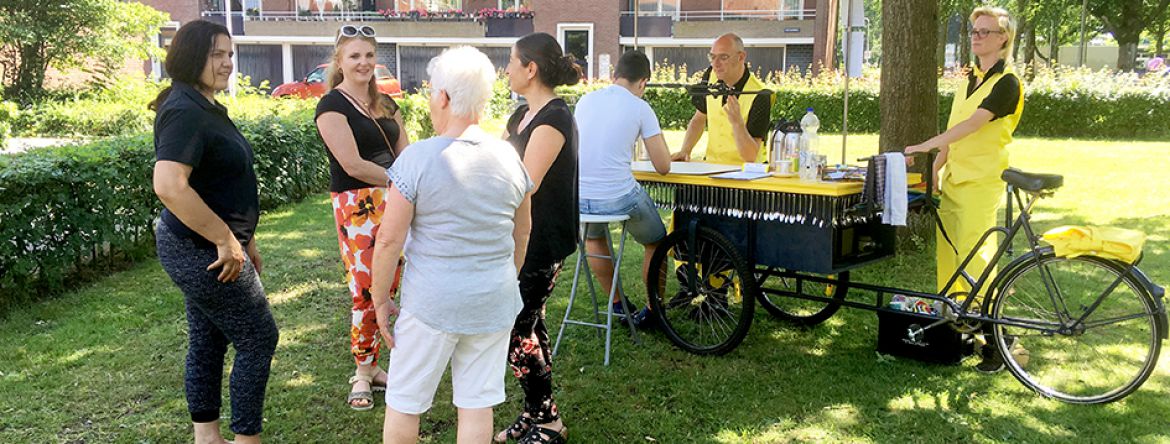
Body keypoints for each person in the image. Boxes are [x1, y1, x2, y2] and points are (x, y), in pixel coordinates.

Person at [368, 46, 533, 444]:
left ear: (442, 97)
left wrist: (379, 300)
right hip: (493, 299)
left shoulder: (417, 159)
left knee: (405, 401)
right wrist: (502, 277)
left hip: (432, 303)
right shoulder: (511, 159)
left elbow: (389, 239)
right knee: (477, 404)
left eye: (430, 93)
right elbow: (522, 232)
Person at [150, 20, 279, 444]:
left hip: (215, 243)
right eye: (217, 54)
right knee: (259, 336)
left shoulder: (200, 104)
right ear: (192, 57)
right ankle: (246, 439)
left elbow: (224, 183)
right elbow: (169, 185)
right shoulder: (184, 111)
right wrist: (226, 239)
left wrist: (247, 238)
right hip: (198, 246)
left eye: (230, 54)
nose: (228, 63)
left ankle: (207, 437)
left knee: (209, 338)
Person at [904, 6, 1024, 374]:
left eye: (985, 32)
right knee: (952, 264)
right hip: (955, 181)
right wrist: (937, 166)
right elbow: (955, 129)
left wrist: (925, 145)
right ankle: (966, 334)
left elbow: (974, 125)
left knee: (977, 265)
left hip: (982, 182)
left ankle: (1004, 347)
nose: (977, 37)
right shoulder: (967, 79)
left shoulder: (1007, 82)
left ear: (1004, 38)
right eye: (974, 31)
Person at [315, 24, 410, 411]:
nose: (363, 63)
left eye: (369, 55)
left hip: (398, 196)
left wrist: (409, 181)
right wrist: (402, 181)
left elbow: (406, 150)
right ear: (339, 61)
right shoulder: (331, 106)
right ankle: (362, 369)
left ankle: (376, 365)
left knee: (393, 282)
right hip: (359, 204)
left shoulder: (387, 102)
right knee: (368, 287)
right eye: (354, 56)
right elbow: (352, 163)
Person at [495, 32, 581, 444]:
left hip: (542, 240)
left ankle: (549, 421)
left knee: (517, 329)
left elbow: (523, 182)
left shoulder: (555, 117)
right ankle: (536, 414)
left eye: (512, 61)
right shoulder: (520, 117)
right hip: (518, 238)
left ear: (531, 69)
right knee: (531, 325)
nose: (507, 69)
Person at [574, 50, 671, 325]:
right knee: (656, 241)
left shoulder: (586, 100)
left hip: (581, 198)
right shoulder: (640, 107)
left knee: (594, 239)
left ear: (614, 75)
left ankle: (617, 304)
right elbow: (663, 165)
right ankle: (654, 309)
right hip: (619, 196)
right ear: (643, 82)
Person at [671, 32, 773, 165]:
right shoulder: (710, 76)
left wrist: (737, 123)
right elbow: (699, 118)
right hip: (712, 169)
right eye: (712, 57)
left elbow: (751, 156)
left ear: (741, 57)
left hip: (746, 176)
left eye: (723, 57)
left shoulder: (760, 95)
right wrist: (685, 150)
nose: (715, 64)